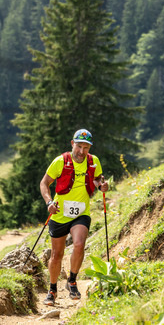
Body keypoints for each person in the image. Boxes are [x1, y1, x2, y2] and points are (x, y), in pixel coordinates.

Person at [38, 128, 108, 306]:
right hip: (59, 213)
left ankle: (72, 281)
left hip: (81, 213)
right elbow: (44, 183)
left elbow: (98, 179)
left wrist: (102, 185)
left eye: (86, 147)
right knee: (56, 254)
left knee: (79, 244)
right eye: (79, 146)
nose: (82, 151)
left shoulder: (94, 162)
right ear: (72, 144)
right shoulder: (60, 161)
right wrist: (48, 203)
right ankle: (52, 289)